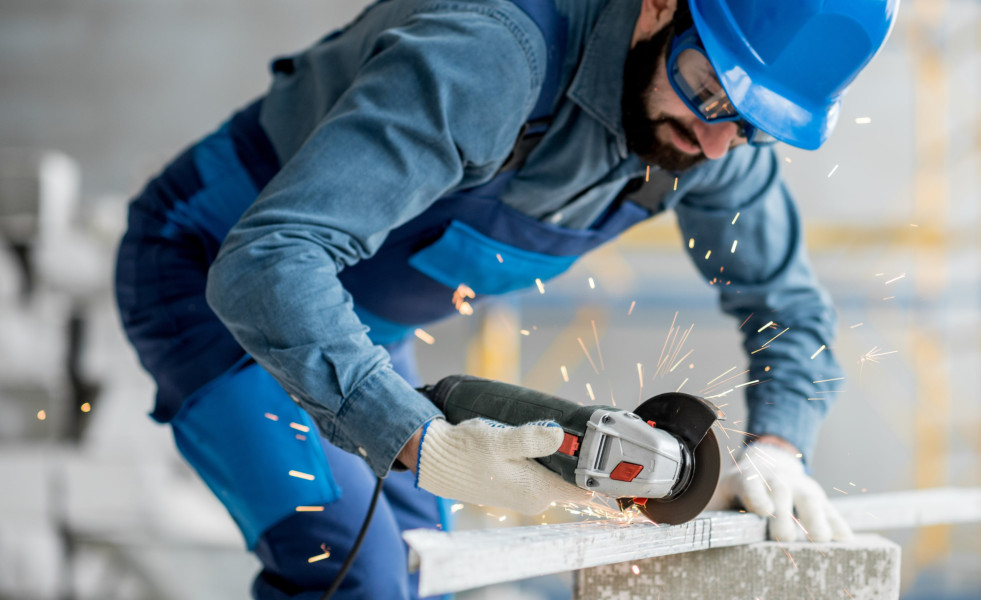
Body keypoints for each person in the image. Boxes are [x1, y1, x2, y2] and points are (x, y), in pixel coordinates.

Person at [114, 0, 898, 596]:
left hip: (357, 320)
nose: (717, 142)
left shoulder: (717, 141)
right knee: (354, 571)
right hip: (211, 267)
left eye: (756, 124)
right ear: (662, 5)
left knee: (437, 571)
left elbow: (793, 316)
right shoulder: (497, 55)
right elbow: (269, 262)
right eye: (713, 90)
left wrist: (778, 450)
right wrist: (427, 442)